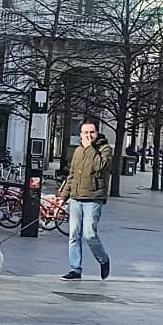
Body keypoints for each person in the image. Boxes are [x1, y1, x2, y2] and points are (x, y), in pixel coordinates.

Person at [58, 119, 112, 280]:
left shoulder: (104, 149)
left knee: (89, 233)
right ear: (80, 134)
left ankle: (103, 259)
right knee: (74, 234)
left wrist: (89, 148)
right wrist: (64, 196)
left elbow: (100, 166)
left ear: (96, 133)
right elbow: (72, 175)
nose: (88, 135)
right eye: (85, 132)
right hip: (76, 198)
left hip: (94, 197)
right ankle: (75, 269)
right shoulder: (78, 151)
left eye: (91, 132)